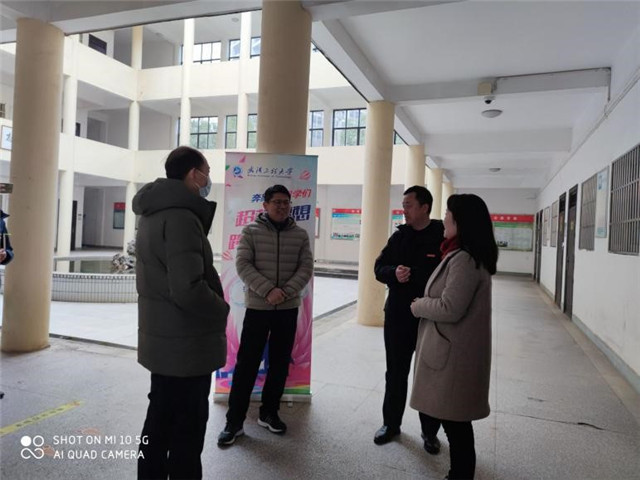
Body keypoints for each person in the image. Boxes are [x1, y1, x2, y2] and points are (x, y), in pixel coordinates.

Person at [134, 146, 230, 479]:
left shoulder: (153, 213)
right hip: (186, 345)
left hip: (164, 341)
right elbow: (188, 289)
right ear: (193, 174)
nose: (208, 180)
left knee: (159, 421)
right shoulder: (182, 217)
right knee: (187, 431)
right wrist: (221, 309)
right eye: (206, 172)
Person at [409, 193, 498, 480]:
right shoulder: (463, 255)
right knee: (456, 424)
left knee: (456, 425)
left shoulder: (464, 260)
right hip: (455, 351)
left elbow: (450, 308)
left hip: (454, 357)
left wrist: (418, 305)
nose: (444, 217)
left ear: (461, 221)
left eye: (448, 213)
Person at [217, 184, 313, 446]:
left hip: (287, 309)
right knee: (247, 364)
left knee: (280, 364)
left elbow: (306, 267)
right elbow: (242, 264)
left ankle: (269, 413)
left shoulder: (300, 235)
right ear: (265, 205)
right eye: (277, 202)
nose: (282, 206)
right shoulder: (250, 231)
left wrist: (285, 292)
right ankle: (234, 422)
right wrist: (268, 290)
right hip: (258, 308)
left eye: (286, 202)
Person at [373, 185, 444, 452]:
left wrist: (414, 275)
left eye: (409, 205)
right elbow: (378, 268)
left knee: (429, 375)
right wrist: (394, 272)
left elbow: (447, 277)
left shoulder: (442, 237)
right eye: (403, 205)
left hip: (430, 317)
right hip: (398, 316)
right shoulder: (399, 237)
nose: (404, 210)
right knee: (395, 372)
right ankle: (390, 424)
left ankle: (430, 432)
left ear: (425, 207)